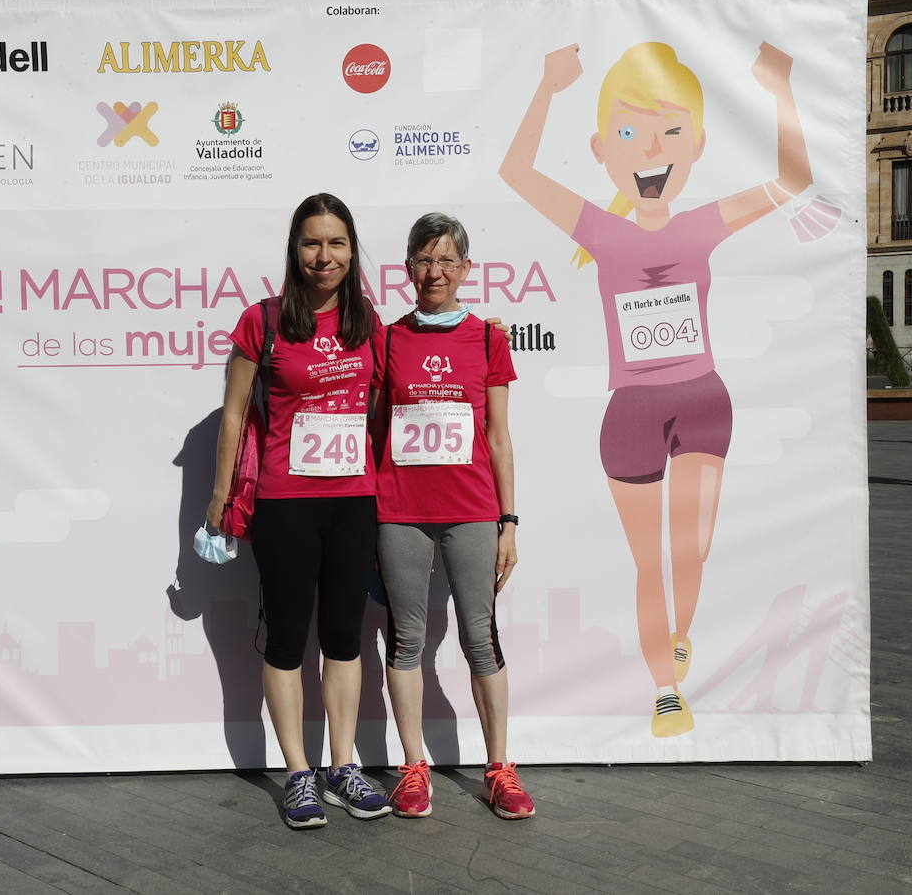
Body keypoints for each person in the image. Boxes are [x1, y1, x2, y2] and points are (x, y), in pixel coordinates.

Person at [499, 40, 812, 737]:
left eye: (670, 133)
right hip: (633, 413)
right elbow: (515, 170)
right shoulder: (600, 231)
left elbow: (792, 180)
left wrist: (780, 89)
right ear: (602, 147)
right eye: (629, 134)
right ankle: (667, 690)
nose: (650, 151)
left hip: (702, 400)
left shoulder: (703, 225)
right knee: (650, 561)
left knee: (692, 547)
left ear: (695, 146)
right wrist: (548, 86)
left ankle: (680, 629)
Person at [206, 193, 391, 829]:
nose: (324, 255)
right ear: (294, 249)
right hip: (284, 505)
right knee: (287, 640)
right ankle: (298, 774)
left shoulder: (369, 323)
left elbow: (420, 371)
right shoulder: (262, 321)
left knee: (344, 639)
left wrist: (494, 328)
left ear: (352, 250)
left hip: (353, 504)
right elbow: (233, 413)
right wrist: (219, 495)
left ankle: (344, 767)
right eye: (312, 242)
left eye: (336, 242)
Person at [374, 213, 533, 820]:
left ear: (466, 269)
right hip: (400, 512)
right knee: (407, 638)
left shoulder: (490, 340)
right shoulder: (387, 340)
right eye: (423, 259)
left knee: (479, 639)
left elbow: (499, 437)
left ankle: (499, 768)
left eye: (447, 260)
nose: (434, 272)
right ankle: (414, 768)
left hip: (472, 510)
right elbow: (371, 430)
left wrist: (509, 520)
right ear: (408, 267)